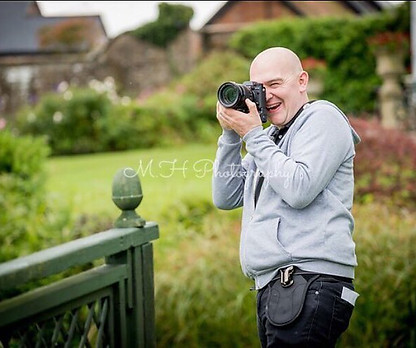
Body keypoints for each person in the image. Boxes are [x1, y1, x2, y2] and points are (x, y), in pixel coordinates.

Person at [212, 47, 361, 347]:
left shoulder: (323, 117)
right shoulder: (269, 140)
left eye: (275, 84)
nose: (265, 96)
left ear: (302, 81)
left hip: (308, 281)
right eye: (258, 88)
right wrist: (230, 134)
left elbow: (299, 188)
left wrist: (252, 136)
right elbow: (226, 195)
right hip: (280, 285)